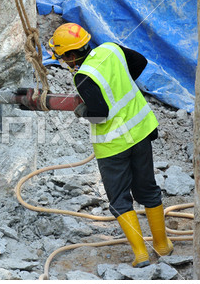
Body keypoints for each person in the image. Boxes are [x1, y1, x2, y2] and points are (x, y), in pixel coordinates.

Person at [49, 23, 173, 268]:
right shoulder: (111, 49)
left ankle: (141, 254)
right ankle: (162, 245)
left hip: (113, 145)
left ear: (72, 55)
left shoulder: (83, 76)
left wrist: (83, 111)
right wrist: (121, 86)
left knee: (119, 199)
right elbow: (140, 62)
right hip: (141, 131)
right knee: (147, 189)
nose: (64, 61)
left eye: (63, 56)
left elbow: (100, 114)